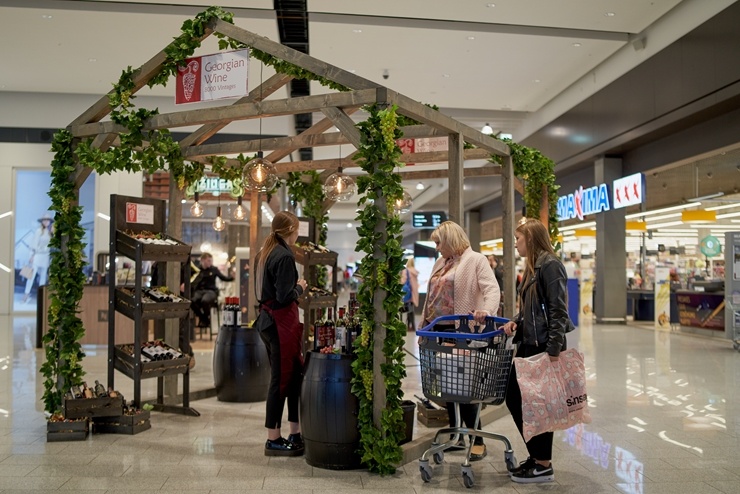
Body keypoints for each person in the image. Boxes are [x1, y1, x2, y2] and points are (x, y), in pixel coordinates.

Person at [420, 221, 500, 461]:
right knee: (449, 386)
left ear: (451, 240)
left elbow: (492, 289)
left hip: (462, 331)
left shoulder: (475, 260)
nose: (436, 248)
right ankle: (457, 435)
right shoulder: (441, 262)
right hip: (438, 332)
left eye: (438, 242)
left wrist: (486, 311)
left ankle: (478, 439)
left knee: (465, 387)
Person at [502, 219, 571, 484]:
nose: (516, 243)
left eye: (518, 238)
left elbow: (558, 309)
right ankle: (537, 457)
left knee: (536, 403)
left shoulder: (550, 265)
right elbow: (533, 308)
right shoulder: (533, 266)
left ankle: (543, 463)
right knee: (519, 399)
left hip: (543, 346)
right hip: (530, 342)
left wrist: (553, 350)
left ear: (530, 239)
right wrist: (516, 323)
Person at [253, 211, 307, 456]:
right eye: (297, 229)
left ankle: (295, 432)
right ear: (291, 229)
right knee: (282, 379)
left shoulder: (264, 253)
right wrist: (300, 287)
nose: (298, 234)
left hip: (267, 321)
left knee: (291, 376)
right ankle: (273, 438)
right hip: (280, 323)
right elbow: (285, 296)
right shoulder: (284, 256)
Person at [189, 252, 233, 329]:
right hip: (199, 291)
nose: (210, 262)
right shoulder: (197, 270)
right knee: (192, 301)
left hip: (211, 291)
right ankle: (204, 319)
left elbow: (223, 278)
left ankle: (205, 320)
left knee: (205, 301)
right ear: (202, 260)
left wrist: (232, 277)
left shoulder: (214, 269)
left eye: (211, 260)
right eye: (208, 260)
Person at [23, 213, 53, 303]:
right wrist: (31, 256)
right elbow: (34, 245)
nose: (46, 221)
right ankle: (26, 295)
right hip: (37, 255)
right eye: (45, 220)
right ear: (42, 221)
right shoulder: (38, 231)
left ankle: (42, 296)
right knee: (31, 276)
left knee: (43, 276)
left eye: (48, 220)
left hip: (46, 256)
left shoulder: (50, 232)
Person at [400, 257, 419, 331]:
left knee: (407, 310)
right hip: (413, 294)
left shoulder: (406, 271)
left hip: (407, 293)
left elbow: (403, 281)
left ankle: (408, 326)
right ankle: (412, 326)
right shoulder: (415, 271)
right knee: (411, 311)